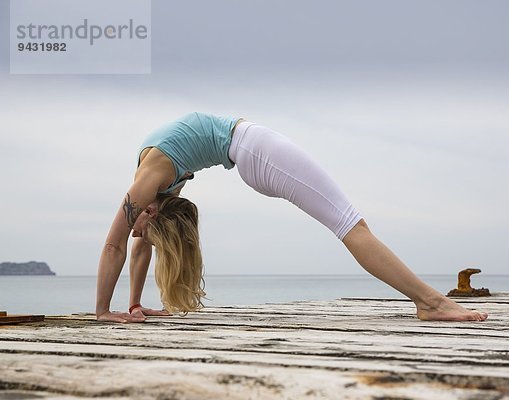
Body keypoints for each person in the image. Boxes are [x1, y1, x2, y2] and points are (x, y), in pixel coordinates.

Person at [96, 112, 488, 323]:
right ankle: (430, 302)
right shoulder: (155, 188)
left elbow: (127, 244)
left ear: (148, 210)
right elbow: (120, 245)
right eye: (140, 229)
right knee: (351, 225)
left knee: (349, 223)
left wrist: (129, 304)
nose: (135, 232)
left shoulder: (151, 184)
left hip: (252, 151)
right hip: (253, 150)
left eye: (138, 228)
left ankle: (429, 301)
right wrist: (111, 309)